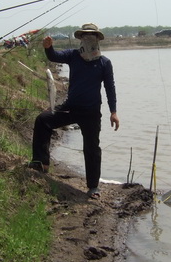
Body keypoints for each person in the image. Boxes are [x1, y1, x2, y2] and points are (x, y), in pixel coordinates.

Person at [29, 23, 120, 199]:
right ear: (80, 39)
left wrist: (113, 112)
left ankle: (93, 187)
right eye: (85, 35)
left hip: (92, 112)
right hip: (70, 107)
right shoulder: (73, 55)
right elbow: (55, 56)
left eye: (92, 35)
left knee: (92, 148)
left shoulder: (104, 63)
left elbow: (110, 88)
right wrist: (49, 48)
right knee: (43, 120)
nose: (88, 38)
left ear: (97, 39)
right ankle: (41, 163)